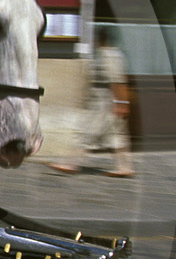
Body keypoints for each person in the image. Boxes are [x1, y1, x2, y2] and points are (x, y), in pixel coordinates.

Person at [49, 24, 134, 178]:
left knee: (86, 132)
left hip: (104, 102)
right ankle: (124, 167)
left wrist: (122, 104)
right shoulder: (103, 54)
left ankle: (70, 163)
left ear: (101, 39)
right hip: (101, 100)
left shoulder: (111, 56)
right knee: (115, 135)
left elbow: (118, 81)